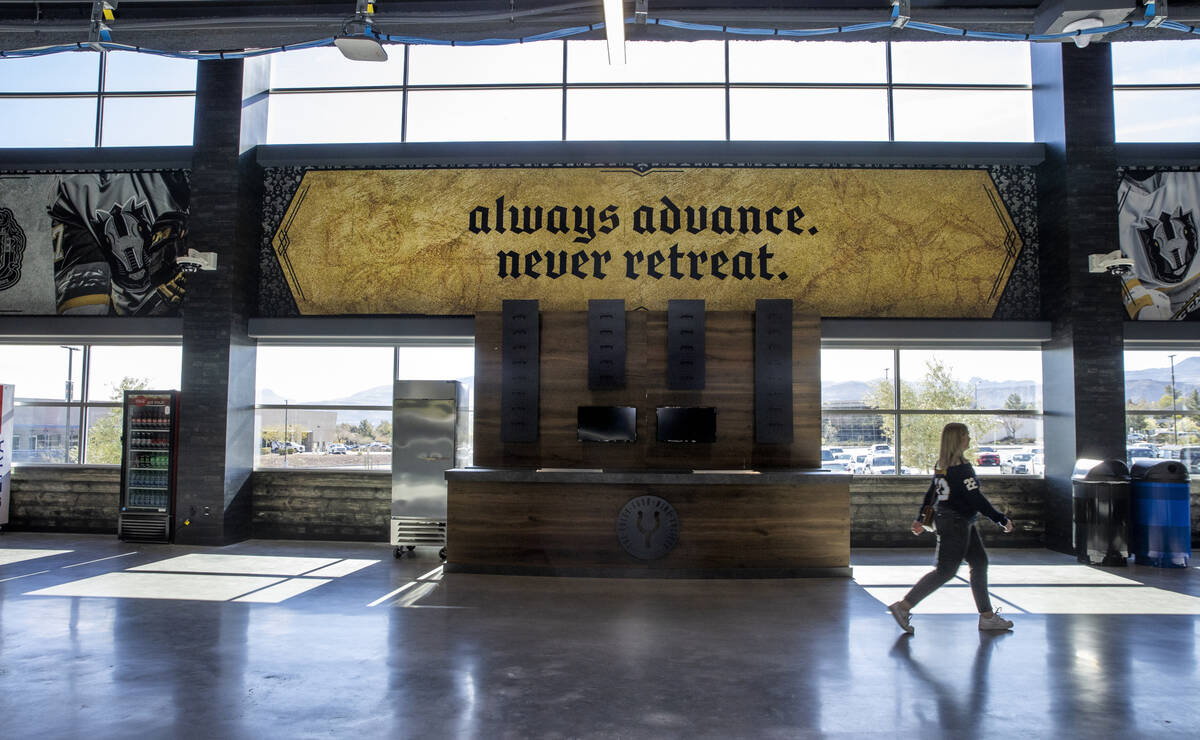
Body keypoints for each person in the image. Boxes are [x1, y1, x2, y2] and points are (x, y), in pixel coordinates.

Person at [887, 422, 1015, 635]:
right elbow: (976, 499)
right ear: (958, 440)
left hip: (958, 521)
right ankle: (903, 606)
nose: (969, 439)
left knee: (979, 562)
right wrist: (1001, 519)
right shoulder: (962, 470)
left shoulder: (943, 465)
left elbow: (932, 494)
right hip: (956, 523)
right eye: (966, 435)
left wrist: (922, 518)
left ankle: (987, 617)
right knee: (945, 571)